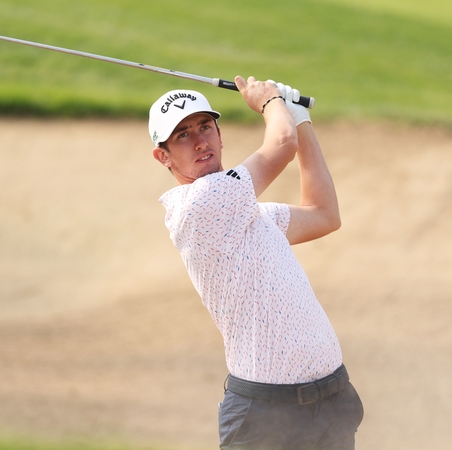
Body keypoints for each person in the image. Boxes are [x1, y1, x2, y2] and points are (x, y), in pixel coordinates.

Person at [149, 76, 364, 449]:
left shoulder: (248, 214)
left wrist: (299, 119)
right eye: (182, 135)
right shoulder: (201, 207)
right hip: (268, 417)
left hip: (331, 403)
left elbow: (324, 214)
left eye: (205, 126)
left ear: (220, 134)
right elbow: (280, 144)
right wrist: (270, 102)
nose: (200, 141)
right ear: (162, 156)